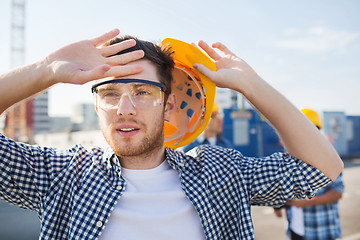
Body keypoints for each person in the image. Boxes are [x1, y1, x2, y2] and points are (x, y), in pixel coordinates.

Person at [0, 29, 343, 240]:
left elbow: (322, 167)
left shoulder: (219, 173)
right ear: (97, 107)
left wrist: (250, 85)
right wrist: (44, 70)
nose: (125, 107)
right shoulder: (62, 177)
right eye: (110, 94)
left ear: (168, 106)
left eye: (143, 91)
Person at [274, 108, 344, 240]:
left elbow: (337, 192)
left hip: (320, 232)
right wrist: (277, 205)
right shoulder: (290, 157)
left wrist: (307, 202)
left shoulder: (328, 157)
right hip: (295, 230)